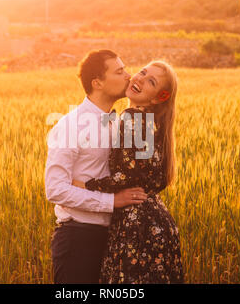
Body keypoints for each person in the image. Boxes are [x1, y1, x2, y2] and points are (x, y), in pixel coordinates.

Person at [72, 60, 183, 283]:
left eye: (151, 81)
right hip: (155, 222)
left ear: (157, 98)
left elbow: (131, 175)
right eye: (142, 72)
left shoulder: (134, 117)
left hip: (137, 225)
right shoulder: (147, 121)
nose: (140, 78)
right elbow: (149, 174)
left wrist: (88, 185)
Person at [45, 49, 148, 284]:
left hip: (116, 237)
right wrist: (112, 201)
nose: (128, 76)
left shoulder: (121, 124)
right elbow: (55, 190)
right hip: (78, 238)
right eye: (119, 71)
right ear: (97, 82)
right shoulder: (71, 125)